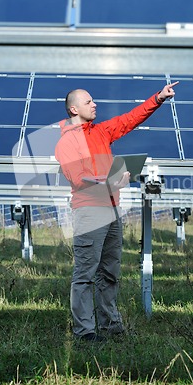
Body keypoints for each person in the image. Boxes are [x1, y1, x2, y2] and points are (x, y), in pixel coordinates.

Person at [55, 81, 179, 342]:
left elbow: (129, 119)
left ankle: (111, 325)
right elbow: (79, 179)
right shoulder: (67, 143)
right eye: (89, 102)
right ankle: (85, 332)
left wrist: (158, 98)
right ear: (74, 109)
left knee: (110, 272)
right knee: (85, 274)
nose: (94, 104)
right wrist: (111, 181)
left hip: (111, 210)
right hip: (89, 212)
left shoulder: (100, 132)